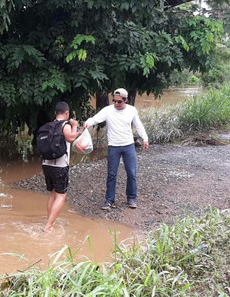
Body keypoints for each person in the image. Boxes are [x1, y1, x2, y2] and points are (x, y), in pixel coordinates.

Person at [84, 88, 149, 209]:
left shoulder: (132, 110)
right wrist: (88, 123)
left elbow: (138, 125)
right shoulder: (108, 110)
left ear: (126, 100)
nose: (116, 104)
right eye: (114, 101)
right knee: (111, 174)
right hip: (113, 146)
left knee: (132, 173)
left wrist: (145, 138)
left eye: (119, 102)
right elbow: (95, 119)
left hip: (128, 145)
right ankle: (109, 200)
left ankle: (131, 198)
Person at [42, 101, 81, 232]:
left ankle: (49, 221)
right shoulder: (65, 125)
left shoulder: (49, 125)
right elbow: (70, 138)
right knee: (61, 195)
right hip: (60, 165)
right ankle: (48, 226)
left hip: (46, 164)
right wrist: (74, 126)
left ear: (55, 113)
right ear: (67, 113)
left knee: (53, 193)